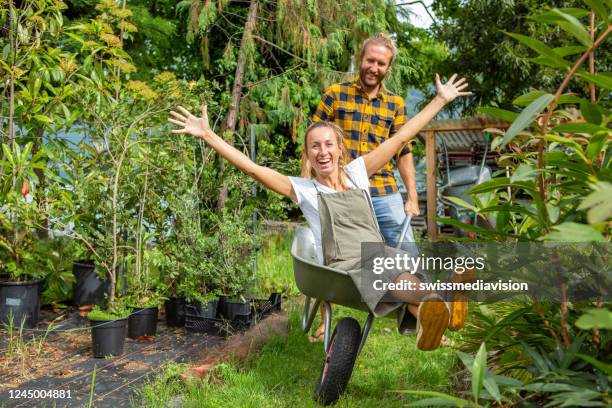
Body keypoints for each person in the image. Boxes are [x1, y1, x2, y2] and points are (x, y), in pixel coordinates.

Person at [168, 74, 471, 351]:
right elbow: (252, 167)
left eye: (328, 144)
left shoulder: (358, 173)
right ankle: (443, 305)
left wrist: (440, 99)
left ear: (340, 148)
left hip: (378, 257)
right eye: (314, 147)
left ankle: (432, 319)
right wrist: (208, 135)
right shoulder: (304, 190)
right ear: (308, 155)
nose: (322, 152)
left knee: (395, 265)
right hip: (345, 267)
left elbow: (401, 137)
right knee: (389, 267)